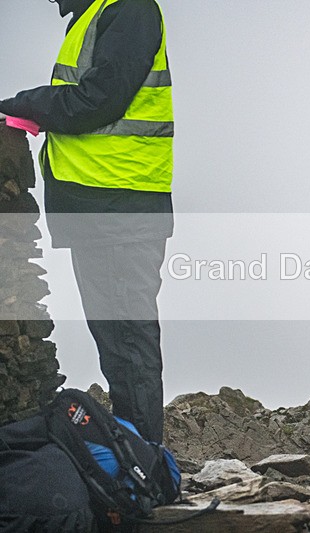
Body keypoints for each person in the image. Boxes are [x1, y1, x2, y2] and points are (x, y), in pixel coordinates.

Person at [0, 0, 174, 443]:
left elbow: (98, 100)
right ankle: (138, 463)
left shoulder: (129, 9)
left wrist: (23, 103)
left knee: (128, 347)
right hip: (100, 208)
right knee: (117, 347)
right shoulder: (96, 14)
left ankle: (146, 467)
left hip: (121, 207)